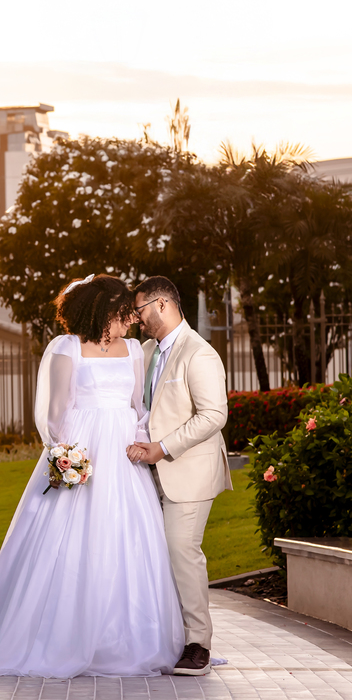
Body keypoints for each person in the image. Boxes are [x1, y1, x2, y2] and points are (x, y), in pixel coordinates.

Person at [0, 274, 184, 678]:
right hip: (83, 449)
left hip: (123, 456)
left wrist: (141, 440)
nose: (131, 319)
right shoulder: (67, 348)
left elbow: (137, 407)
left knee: (127, 539)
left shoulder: (132, 351)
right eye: (123, 311)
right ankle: (60, 638)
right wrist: (66, 456)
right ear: (103, 310)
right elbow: (56, 411)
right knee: (70, 542)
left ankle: (128, 639)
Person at [127, 276, 231, 677]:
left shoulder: (199, 352)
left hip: (189, 471)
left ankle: (198, 644)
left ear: (162, 304)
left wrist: (163, 447)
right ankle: (165, 637)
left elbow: (214, 415)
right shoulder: (146, 351)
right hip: (148, 472)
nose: (137, 319)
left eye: (140, 310)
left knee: (181, 551)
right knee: (154, 554)